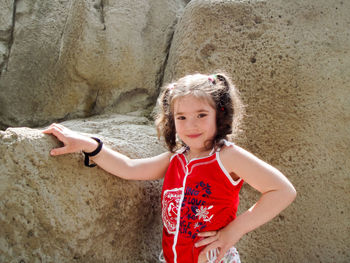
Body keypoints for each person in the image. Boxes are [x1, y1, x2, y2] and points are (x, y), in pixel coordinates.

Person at [42, 73, 296, 263]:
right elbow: (129, 168)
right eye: (181, 117)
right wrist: (87, 144)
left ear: (219, 115)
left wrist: (234, 230)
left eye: (201, 115)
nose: (191, 125)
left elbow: (283, 191)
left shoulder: (227, 157)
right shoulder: (176, 158)